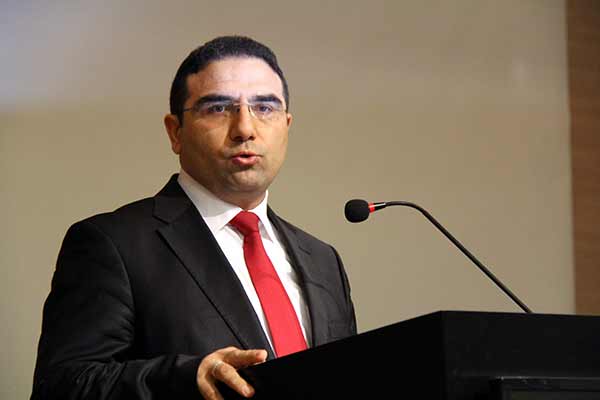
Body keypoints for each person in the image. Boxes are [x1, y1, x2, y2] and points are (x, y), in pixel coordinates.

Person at [31, 35, 356, 400]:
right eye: (218, 108)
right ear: (175, 132)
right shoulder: (113, 245)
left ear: (287, 125)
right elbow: (60, 387)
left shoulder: (323, 261)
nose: (245, 128)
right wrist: (184, 379)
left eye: (265, 107)